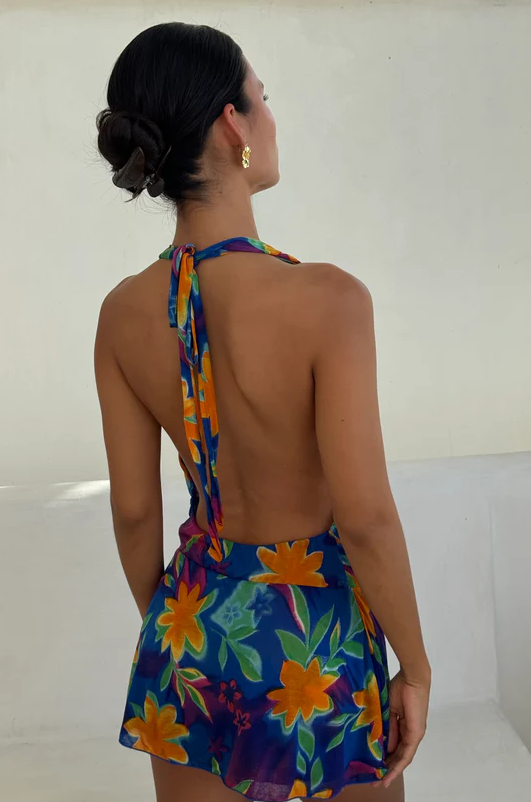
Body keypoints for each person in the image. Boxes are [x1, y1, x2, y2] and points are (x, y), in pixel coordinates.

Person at [94, 21, 430, 802]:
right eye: (263, 98)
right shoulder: (327, 300)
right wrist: (413, 668)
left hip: (192, 620)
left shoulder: (122, 314)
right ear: (232, 124)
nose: (270, 117)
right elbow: (365, 518)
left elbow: (134, 511)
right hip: (318, 639)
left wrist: (179, 627)